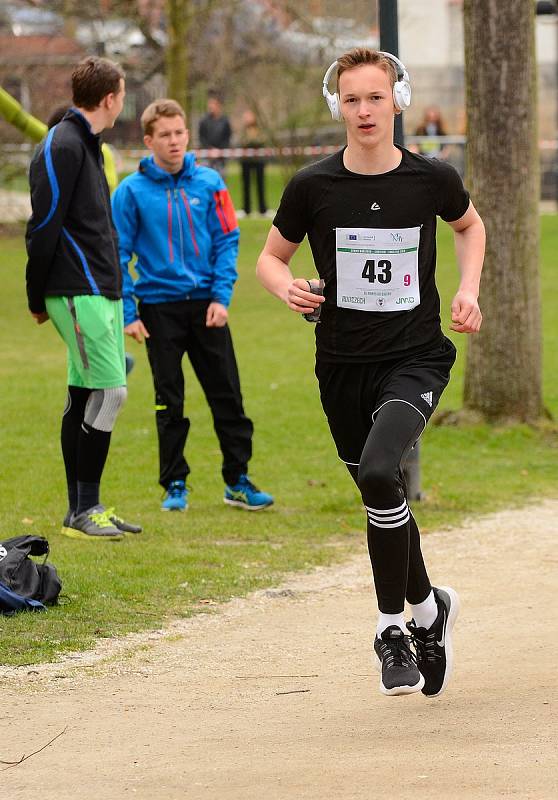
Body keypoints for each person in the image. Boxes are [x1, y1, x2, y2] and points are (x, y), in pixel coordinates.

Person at [256, 48, 485, 697]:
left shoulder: (431, 178)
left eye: (375, 98)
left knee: (384, 473)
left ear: (397, 102)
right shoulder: (312, 186)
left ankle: (393, 631)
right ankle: (431, 607)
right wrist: (287, 288)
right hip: (341, 366)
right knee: (380, 494)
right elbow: (269, 260)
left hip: (415, 357)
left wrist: (468, 290)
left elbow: (470, 227)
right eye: (352, 99)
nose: (363, 110)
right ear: (338, 106)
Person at [111, 99, 273, 513]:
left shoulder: (210, 183)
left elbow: (227, 241)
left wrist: (221, 296)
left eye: (179, 133)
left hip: (207, 306)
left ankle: (238, 480)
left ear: (188, 134)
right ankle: (175, 484)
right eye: (164, 135)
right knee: (170, 401)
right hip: (158, 309)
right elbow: (117, 254)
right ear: (149, 140)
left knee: (229, 396)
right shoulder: (129, 192)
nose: (174, 141)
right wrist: (129, 314)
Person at [25, 56, 141, 541]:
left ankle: (83, 508)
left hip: (101, 291)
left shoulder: (88, 145)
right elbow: (44, 224)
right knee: (112, 391)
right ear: (111, 98)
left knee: (85, 392)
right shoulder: (63, 144)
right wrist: (37, 294)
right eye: (123, 93)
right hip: (76, 291)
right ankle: (84, 509)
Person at [239, 109, 267, 216]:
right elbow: (242, 142)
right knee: (246, 185)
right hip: (246, 161)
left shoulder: (260, 128)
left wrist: (251, 141)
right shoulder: (243, 130)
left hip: (258, 160)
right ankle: (246, 210)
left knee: (260, 184)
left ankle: (262, 209)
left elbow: (261, 141)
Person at [198, 90, 232, 177]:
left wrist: (219, 151)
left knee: (220, 180)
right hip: (207, 156)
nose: (210, 106)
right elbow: (202, 137)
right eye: (209, 103)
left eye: (213, 103)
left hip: (221, 158)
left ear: (219, 105)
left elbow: (227, 138)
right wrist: (209, 149)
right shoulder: (204, 121)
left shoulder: (225, 121)